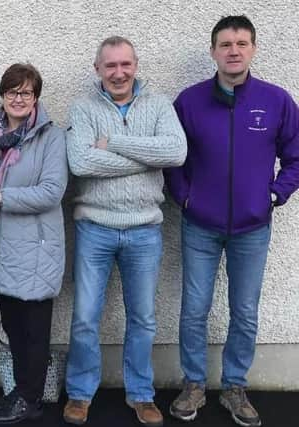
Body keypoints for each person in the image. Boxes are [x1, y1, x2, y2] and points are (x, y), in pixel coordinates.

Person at [165, 15, 299, 427]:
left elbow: (295, 158)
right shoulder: (189, 101)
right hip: (199, 225)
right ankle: (193, 385)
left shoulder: (277, 101)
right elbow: (172, 158)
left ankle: (235, 387)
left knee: (244, 310)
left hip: (253, 228)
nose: (234, 50)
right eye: (225, 44)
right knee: (194, 308)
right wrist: (184, 197)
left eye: (242, 43)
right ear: (213, 52)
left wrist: (275, 194)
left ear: (253, 49)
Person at [63, 36, 187, 427]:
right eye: (110, 65)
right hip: (94, 226)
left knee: (144, 318)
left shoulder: (159, 104)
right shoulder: (83, 107)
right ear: (97, 68)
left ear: (136, 65)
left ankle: (141, 394)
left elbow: (176, 153)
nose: (119, 73)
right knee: (85, 316)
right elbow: (82, 162)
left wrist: (114, 143)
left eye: (125, 65)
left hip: (144, 230)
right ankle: (80, 394)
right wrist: (145, 158)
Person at [0, 63, 67, 424]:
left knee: (33, 332)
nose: (18, 99)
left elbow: (51, 193)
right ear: (2, 95)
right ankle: (20, 393)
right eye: (12, 92)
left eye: (26, 93)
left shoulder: (51, 137)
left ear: (36, 97)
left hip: (35, 250)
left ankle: (31, 400)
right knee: (14, 329)